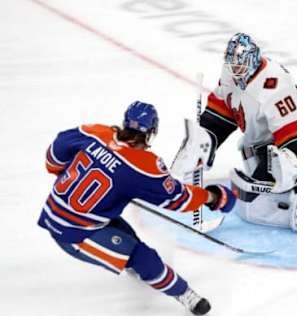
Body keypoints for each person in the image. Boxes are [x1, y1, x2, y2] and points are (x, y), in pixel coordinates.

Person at [38, 101, 236, 315]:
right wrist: (214, 197)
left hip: (57, 209)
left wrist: (64, 174)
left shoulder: (96, 132)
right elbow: (180, 200)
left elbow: (56, 152)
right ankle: (185, 294)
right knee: (142, 256)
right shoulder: (143, 167)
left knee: (127, 236)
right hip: (74, 233)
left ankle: (138, 267)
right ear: (151, 133)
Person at [172, 33, 297, 233]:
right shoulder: (231, 74)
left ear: (253, 61)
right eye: (232, 65)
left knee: (258, 199)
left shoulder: (274, 84)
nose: (235, 71)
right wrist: (204, 140)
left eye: (240, 67)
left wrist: (282, 173)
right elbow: (222, 112)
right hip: (267, 142)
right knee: (251, 163)